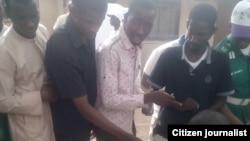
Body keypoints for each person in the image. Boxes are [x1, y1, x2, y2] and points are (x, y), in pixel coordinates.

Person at [45, 0, 141, 141]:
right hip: (68, 128)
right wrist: (126, 136)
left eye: (99, 22)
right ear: (73, 11)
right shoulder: (61, 46)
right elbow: (82, 106)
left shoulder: (86, 32)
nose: (94, 29)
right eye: (90, 22)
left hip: (86, 124)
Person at [147, 3, 236, 140]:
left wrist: (202, 116)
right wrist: (175, 104)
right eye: (191, 32)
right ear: (188, 24)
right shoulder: (168, 55)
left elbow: (221, 99)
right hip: (166, 129)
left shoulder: (220, 61)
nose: (194, 39)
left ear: (213, 31)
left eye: (201, 34)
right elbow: (153, 92)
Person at [95, 0, 182, 140]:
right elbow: (109, 100)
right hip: (109, 127)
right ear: (126, 16)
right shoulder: (110, 50)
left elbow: (132, 83)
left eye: (148, 25)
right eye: (136, 21)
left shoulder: (136, 46)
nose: (141, 30)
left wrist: (145, 102)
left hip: (127, 121)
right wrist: (148, 97)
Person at [0, 0, 56, 141]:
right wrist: (40, 96)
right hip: (28, 129)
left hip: (54, 115)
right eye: (21, 18)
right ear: (9, 15)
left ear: (38, 9)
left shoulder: (41, 30)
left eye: (34, 16)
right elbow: (3, 101)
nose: (30, 23)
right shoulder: (4, 51)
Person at [214, 0, 250, 124]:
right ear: (230, 26)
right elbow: (215, 97)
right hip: (227, 115)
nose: (244, 38)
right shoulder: (220, 53)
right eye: (240, 33)